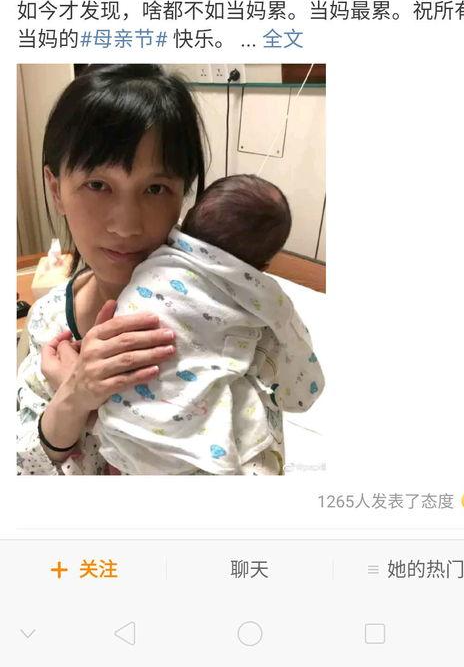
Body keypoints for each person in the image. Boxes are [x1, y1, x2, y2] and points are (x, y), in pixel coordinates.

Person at [17, 64, 207, 475]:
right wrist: (73, 398)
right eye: (98, 185)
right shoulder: (50, 322)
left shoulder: (216, 318)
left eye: (155, 188)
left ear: (183, 192)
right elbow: (23, 466)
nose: (126, 226)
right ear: (56, 190)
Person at [95, 174, 325, 475]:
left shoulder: (153, 260)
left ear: (188, 216)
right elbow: (296, 358)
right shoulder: (265, 297)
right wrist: (303, 394)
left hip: (122, 436)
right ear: (264, 267)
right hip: (197, 454)